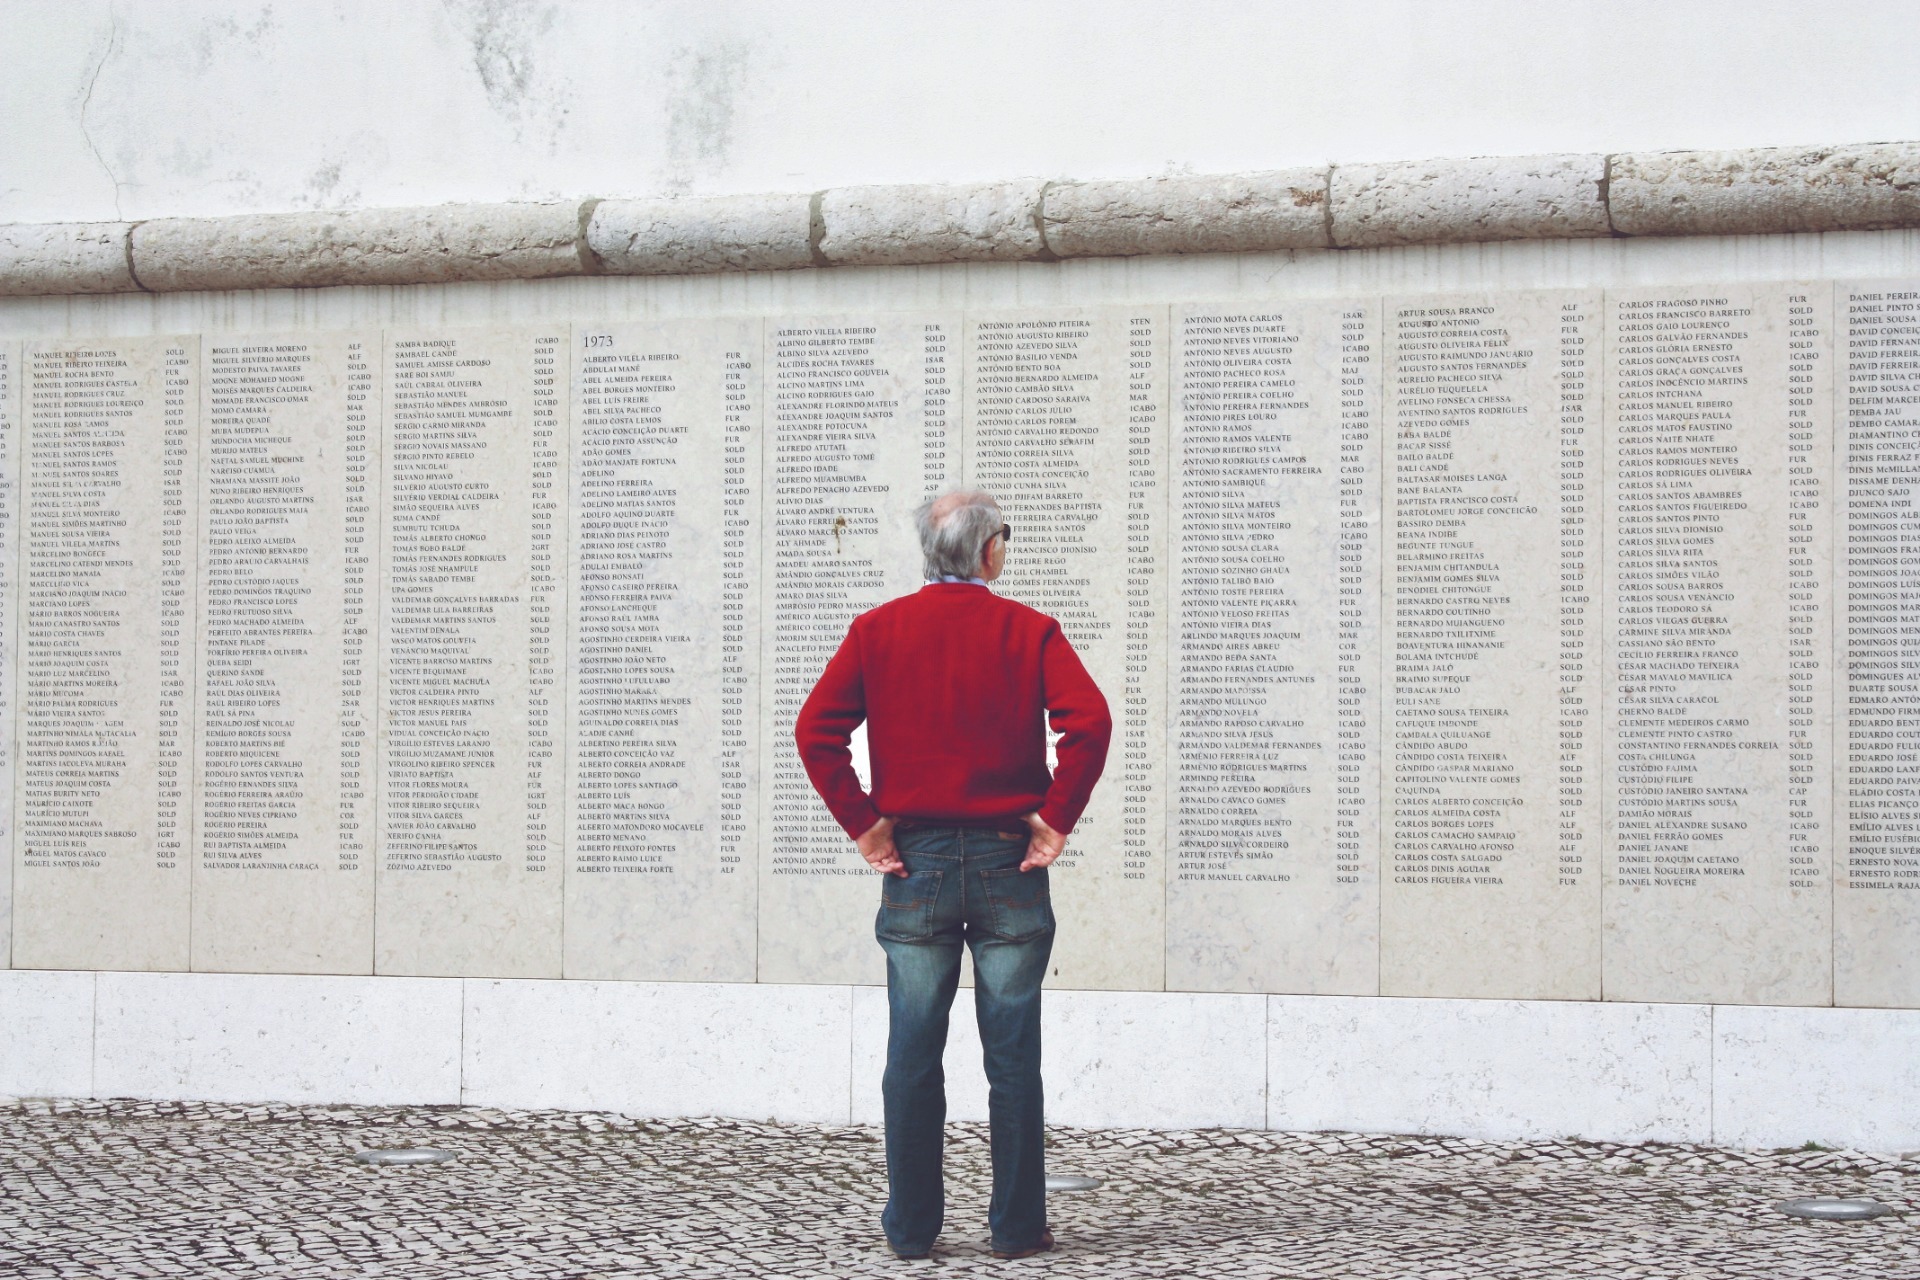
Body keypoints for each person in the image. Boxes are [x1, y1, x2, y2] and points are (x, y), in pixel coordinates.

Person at [795, 489, 1112, 1261]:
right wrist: (1055, 819)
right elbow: (1091, 722)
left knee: (911, 1049)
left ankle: (909, 1229)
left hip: (918, 862)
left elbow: (816, 730)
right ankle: (1015, 1228)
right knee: (1012, 1057)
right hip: (1010, 858)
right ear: (991, 551)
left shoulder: (877, 631)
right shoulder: (1030, 631)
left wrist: (866, 823)